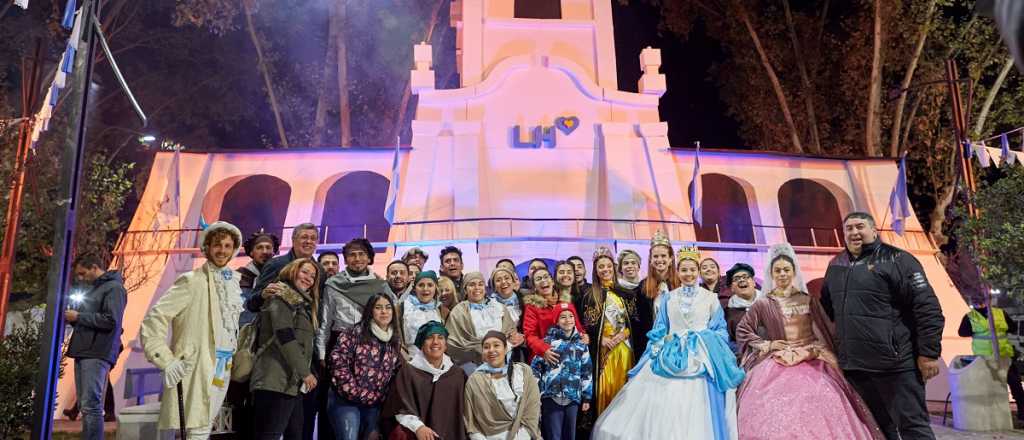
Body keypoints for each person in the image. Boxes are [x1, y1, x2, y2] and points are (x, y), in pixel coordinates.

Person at [592, 246, 744, 440]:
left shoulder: (711, 298)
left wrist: (700, 339)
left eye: (692, 270)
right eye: (684, 270)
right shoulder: (668, 298)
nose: (688, 274)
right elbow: (660, 328)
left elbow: (720, 331)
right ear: (677, 272)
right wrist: (660, 343)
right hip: (669, 353)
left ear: (697, 271)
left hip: (700, 356)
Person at [735, 244, 882, 439]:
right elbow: (743, 329)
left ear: (794, 271)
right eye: (777, 270)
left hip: (811, 356)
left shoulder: (808, 299)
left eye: (786, 270)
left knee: (825, 395)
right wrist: (767, 345)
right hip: (778, 359)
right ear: (771, 273)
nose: (782, 274)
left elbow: (826, 328)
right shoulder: (763, 303)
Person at [821, 212, 944, 440]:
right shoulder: (836, 264)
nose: (854, 232)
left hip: (896, 365)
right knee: (874, 429)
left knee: (912, 427)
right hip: (856, 367)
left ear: (874, 231)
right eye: (849, 228)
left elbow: (927, 308)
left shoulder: (898, 260)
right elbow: (828, 307)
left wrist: (928, 353)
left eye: (860, 227)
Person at [140, 222, 244, 439]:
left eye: (227, 245)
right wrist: (166, 359)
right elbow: (155, 318)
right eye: (217, 245)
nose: (222, 251)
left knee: (205, 426)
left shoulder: (232, 282)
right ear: (207, 247)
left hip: (223, 366)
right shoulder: (191, 280)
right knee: (195, 428)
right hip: (198, 364)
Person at [317, 239, 385, 440]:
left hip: (372, 349)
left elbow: (388, 320)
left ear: (369, 257)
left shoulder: (380, 285)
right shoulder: (333, 284)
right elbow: (324, 323)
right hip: (340, 349)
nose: (357, 258)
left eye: (362, 254)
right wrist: (322, 355)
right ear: (345, 259)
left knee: (370, 416)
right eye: (352, 255)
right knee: (340, 410)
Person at [249, 258, 322, 439]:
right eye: (304, 272)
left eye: (312, 276)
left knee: (295, 434)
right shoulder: (281, 295)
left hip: (290, 383)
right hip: (274, 379)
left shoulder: (301, 303)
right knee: (268, 435)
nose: (308, 278)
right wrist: (305, 372)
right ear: (292, 270)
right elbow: (285, 336)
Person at [65, 252, 127, 440]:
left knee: (91, 405)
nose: (80, 278)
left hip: (97, 351)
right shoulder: (95, 289)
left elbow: (111, 321)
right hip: (85, 351)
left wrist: (78, 317)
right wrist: (75, 319)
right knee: (86, 405)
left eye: (83, 273)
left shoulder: (114, 288)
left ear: (94, 267)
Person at [328, 293, 403, 440]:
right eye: (378, 307)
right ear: (370, 311)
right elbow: (337, 360)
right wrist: (354, 392)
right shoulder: (354, 332)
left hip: (373, 404)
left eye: (388, 308)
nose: (384, 312)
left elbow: (393, 372)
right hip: (345, 401)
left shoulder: (394, 339)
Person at [381, 321, 468, 440]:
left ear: (446, 344)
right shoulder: (408, 372)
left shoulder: (457, 375)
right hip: (417, 433)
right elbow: (400, 409)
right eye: (429, 338)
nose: (435, 342)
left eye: (440, 338)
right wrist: (418, 427)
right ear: (421, 344)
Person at [578, 248, 634, 417]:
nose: (605, 270)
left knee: (625, 389)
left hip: (624, 348)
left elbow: (636, 322)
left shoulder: (625, 293)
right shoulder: (589, 295)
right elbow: (586, 326)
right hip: (604, 351)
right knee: (605, 388)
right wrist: (600, 339)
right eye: (601, 266)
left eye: (609, 266)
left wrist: (625, 333)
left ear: (614, 267)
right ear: (596, 270)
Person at [464, 331, 542, 440]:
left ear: (505, 349)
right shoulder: (475, 380)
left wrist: (522, 437)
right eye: (486, 347)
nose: (491, 350)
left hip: (524, 435)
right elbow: (470, 420)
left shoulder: (523, 372)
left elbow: (532, 408)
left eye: (496, 345)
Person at [957, 297, 1024, 422]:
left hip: (996, 357)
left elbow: (963, 333)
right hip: (990, 358)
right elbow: (1013, 328)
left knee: (1013, 385)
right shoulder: (996, 313)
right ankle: (1015, 414)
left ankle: (1019, 414)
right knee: (1014, 385)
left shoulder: (972, 317)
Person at [531, 307, 593, 440]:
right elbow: (535, 368)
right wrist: (538, 392)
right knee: (554, 435)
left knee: (570, 435)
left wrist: (587, 396)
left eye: (571, 316)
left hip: (572, 397)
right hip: (551, 396)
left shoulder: (582, 345)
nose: (568, 320)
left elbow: (586, 371)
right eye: (563, 317)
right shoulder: (547, 343)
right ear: (556, 321)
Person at [445, 272, 523, 373]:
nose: (477, 288)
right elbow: (452, 343)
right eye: (472, 284)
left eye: (480, 284)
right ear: (465, 289)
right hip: (472, 365)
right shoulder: (458, 311)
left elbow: (511, 332)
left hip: (503, 360)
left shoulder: (499, 307)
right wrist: (479, 353)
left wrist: (508, 343)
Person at [245, 223, 320, 312]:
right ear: (293, 240)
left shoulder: (320, 270)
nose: (308, 241)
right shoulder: (275, 265)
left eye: (313, 238)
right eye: (304, 237)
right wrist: (262, 295)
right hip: (277, 323)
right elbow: (251, 304)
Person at [632, 230, 681, 358]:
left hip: (677, 343)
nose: (660, 260)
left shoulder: (681, 284)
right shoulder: (642, 288)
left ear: (671, 259)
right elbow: (639, 324)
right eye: (656, 256)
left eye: (663, 256)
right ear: (650, 260)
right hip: (651, 345)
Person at [522, 268, 586, 363]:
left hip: (570, 355)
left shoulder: (566, 301)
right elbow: (530, 335)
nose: (543, 280)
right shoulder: (532, 307)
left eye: (546, 277)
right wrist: (544, 350)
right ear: (534, 286)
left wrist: (584, 335)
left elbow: (577, 326)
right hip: (546, 357)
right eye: (538, 279)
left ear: (552, 281)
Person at [397, 271, 449, 358]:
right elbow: (397, 337)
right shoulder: (402, 308)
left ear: (435, 288)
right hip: (409, 359)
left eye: (430, 285)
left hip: (437, 359)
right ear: (414, 288)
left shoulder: (443, 311)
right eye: (421, 285)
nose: (425, 289)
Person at [239, 232, 280, 325]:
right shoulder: (239, 276)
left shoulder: (281, 275)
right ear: (251, 252)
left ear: (274, 252)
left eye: (268, 247)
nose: (265, 251)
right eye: (259, 247)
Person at [723, 263, 762, 346]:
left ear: (754, 282)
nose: (741, 280)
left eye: (745, 277)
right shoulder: (728, 312)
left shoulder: (769, 304)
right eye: (736, 279)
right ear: (732, 288)